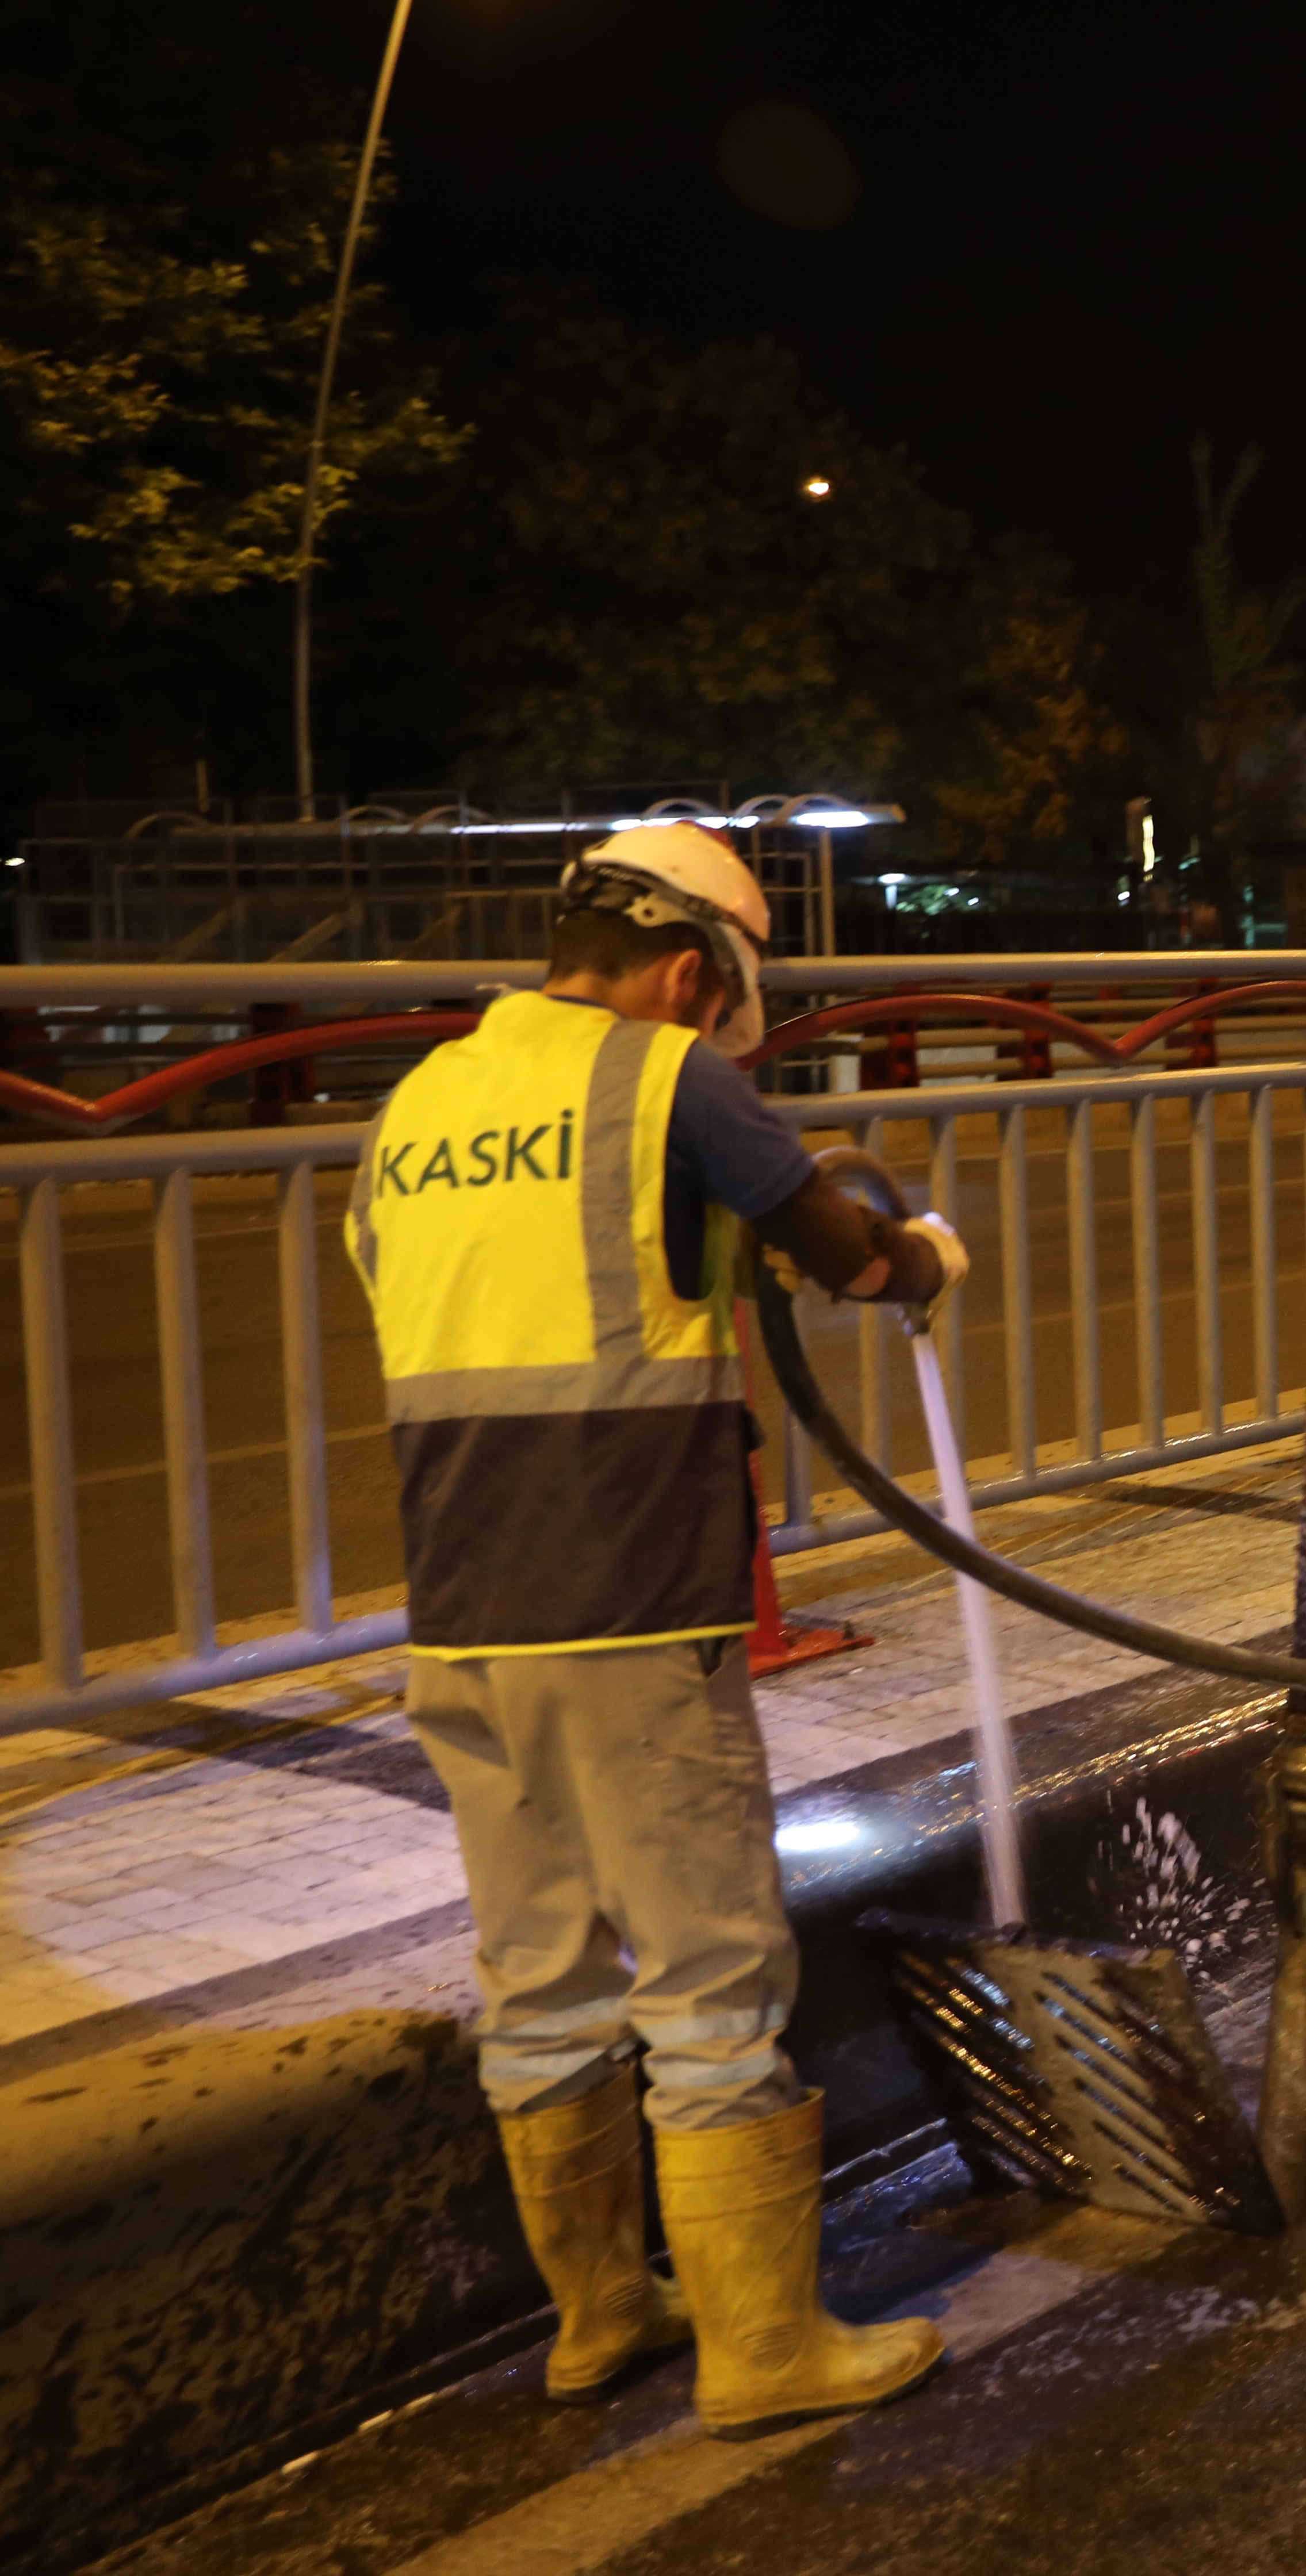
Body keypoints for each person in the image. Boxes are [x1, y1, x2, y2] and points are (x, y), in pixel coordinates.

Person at [347, 823, 970, 2436]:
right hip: (626, 1593)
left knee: (540, 1975)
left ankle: (601, 2315)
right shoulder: (666, 1080)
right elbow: (839, 1248)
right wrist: (917, 1257)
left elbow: (471, 1279)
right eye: (719, 1006)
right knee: (709, 1976)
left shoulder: (421, 1104)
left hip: (461, 1609)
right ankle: (765, 2350)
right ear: (694, 972)